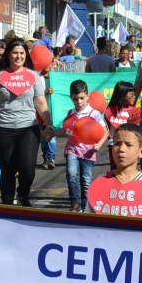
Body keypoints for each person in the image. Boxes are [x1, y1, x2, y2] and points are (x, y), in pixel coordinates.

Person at [0, 38, 51, 208]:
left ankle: (23, 194)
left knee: (27, 168)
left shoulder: (33, 76)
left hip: (28, 128)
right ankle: (7, 204)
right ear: (8, 55)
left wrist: (49, 125)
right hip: (2, 129)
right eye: (15, 52)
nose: (18, 56)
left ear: (25, 55)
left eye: (22, 53)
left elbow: (41, 103)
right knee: (7, 169)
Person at [63, 79, 105, 211]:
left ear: (88, 96)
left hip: (88, 152)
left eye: (82, 98)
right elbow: (66, 128)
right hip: (72, 149)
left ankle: (85, 205)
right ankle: (75, 203)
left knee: (86, 180)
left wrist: (98, 145)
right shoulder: (71, 113)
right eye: (76, 99)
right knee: (71, 173)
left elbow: (105, 132)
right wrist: (52, 132)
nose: (79, 102)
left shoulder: (94, 114)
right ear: (71, 98)